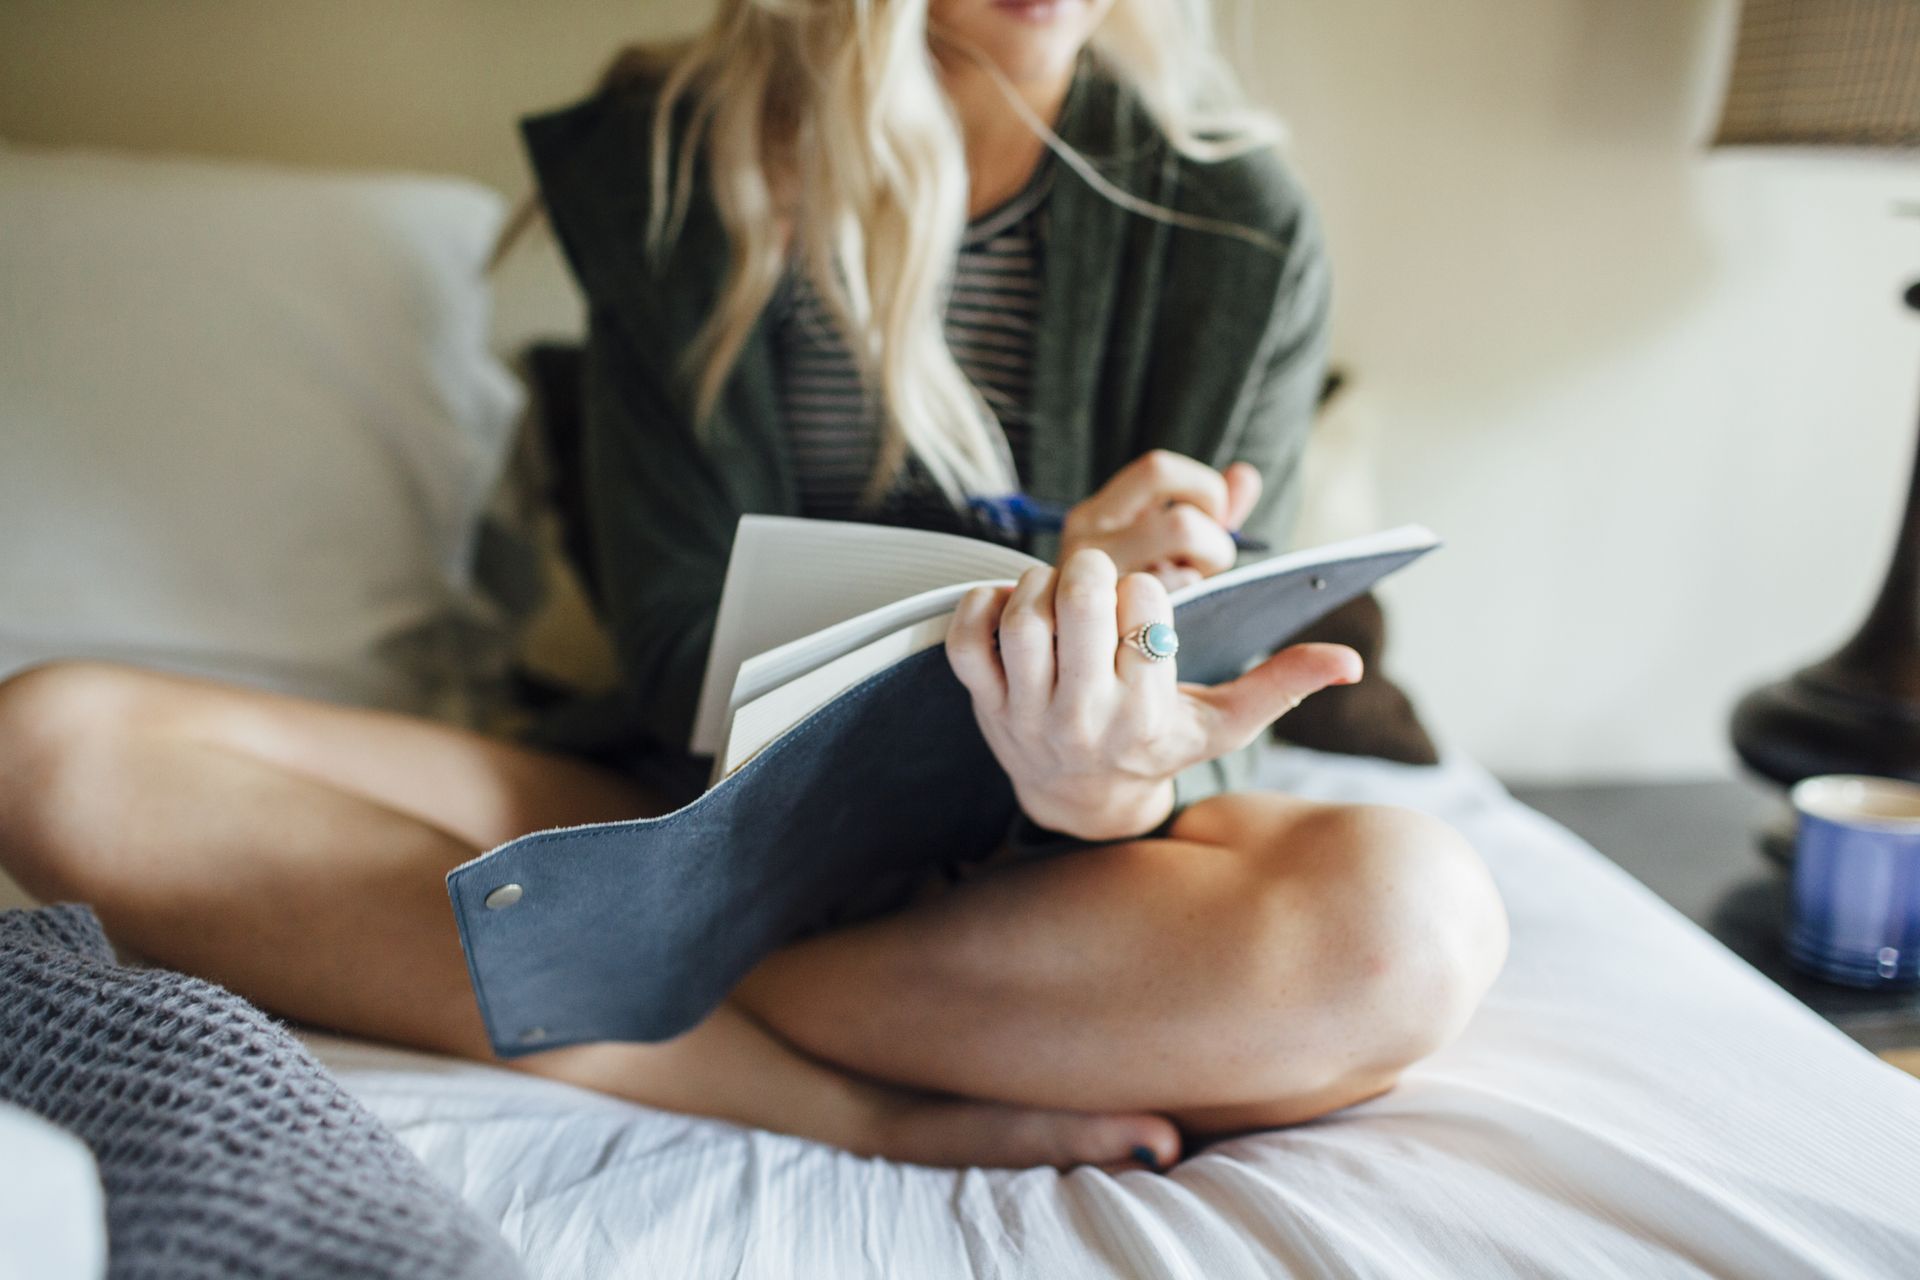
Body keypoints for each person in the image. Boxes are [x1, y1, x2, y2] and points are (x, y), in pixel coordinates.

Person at [0, 0, 1506, 1172]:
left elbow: (1206, 724)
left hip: (1044, 886)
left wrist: (1101, 767)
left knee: (1410, 927)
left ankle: (645, 992)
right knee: (48, 744)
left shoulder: (1235, 217)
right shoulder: (675, 159)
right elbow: (674, 650)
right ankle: (824, 1093)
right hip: (700, 820)